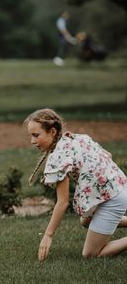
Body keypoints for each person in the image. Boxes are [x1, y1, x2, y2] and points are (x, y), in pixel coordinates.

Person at [25, 109, 127, 261]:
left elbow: (62, 202)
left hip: (113, 198)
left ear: (52, 131)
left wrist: (48, 235)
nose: (32, 141)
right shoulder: (76, 138)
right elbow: (108, 155)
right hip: (119, 186)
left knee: (90, 255)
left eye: (36, 135)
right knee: (85, 220)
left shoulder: (59, 156)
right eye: (31, 136)